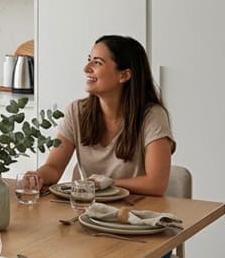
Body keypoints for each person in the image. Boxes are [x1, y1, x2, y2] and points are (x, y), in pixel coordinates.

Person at [35, 35, 175, 196]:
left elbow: (156, 184)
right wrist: (37, 176)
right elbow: (54, 167)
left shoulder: (152, 116)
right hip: (88, 208)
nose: (86, 68)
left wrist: (104, 183)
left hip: (135, 209)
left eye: (97, 62)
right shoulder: (77, 111)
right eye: (89, 60)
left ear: (124, 75)